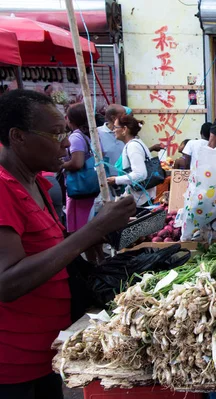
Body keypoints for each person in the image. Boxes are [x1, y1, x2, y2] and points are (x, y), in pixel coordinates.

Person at [0, 89, 135, 398]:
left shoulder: (35, 183)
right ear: (17, 136)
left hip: (45, 355)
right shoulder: (3, 188)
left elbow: (48, 248)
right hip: (12, 365)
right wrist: (92, 230)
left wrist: (100, 232)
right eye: (55, 134)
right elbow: (6, 281)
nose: (64, 143)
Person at [61, 103, 100, 233]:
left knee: (82, 230)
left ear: (70, 119)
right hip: (89, 187)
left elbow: (77, 163)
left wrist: (60, 165)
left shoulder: (75, 137)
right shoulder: (88, 135)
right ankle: (98, 254)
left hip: (79, 188)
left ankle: (93, 254)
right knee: (91, 228)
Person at [107, 115, 157, 206]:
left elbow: (140, 174)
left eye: (115, 127)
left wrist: (116, 180)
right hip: (141, 197)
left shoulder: (133, 146)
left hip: (141, 200)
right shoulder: (134, 143)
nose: (113, 130)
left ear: (124, 129)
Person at [97, 104, 126, 176]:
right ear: (114, 118)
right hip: (107, 177)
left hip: (126, 176)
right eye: (124, 115)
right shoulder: (98, 133)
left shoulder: (126, 131)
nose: (126, 118)